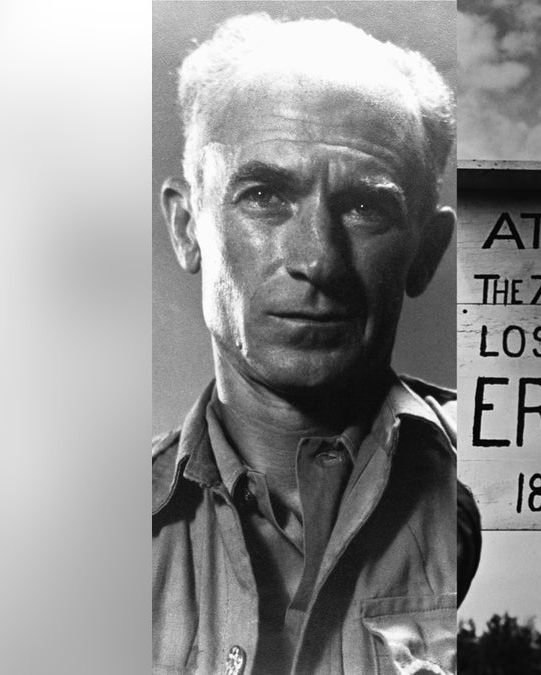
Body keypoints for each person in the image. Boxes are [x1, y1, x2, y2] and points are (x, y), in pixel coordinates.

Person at [152, 14, 477, 675]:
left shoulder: (491, 482)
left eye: (365, 208)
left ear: (427, 251)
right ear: (187, 228)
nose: (318, 260)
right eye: (265, 195)